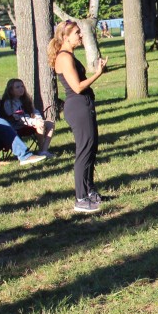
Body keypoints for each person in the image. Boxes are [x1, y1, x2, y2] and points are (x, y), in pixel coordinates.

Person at [49, 20, 107, 213]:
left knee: (91, 149)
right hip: (78, 107)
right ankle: (80, 198)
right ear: (65, 37)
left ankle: (90, 191)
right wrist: (98, 73)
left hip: (84, 105)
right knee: (84, 152)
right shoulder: (64, 57)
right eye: (76, 33)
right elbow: (77, 87)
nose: (80, 35)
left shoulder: (69, 55)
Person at [0, 78, 55, 157]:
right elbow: (18, 118)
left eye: (22, 86)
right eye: (17, 87)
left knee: (50, 124)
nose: (21, 89)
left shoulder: (25, 99)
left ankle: (44, 150)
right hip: (16, 126)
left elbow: (34, 111)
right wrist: (34, 122)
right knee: (40, 125)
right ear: (11, 90)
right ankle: (41, 150)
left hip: (29, 122)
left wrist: (38, 118)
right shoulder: (8, 103)